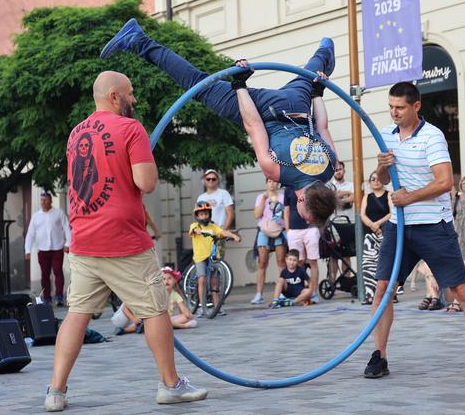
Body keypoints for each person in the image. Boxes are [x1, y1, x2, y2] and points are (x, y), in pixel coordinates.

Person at [45, 71, 208, 412]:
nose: (135, 100)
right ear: (115, 97)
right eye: (130, 94)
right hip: (123, 241)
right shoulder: (131, 129)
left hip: (85, 239)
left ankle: (55, 392)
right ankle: (170, 384)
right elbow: (146, 182)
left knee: (77, 314)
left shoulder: (76, 133)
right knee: (155, 309)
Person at [101, 18, 337, 227]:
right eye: (306, 218)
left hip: (296, 105)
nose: (303, 220)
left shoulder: (330, 166)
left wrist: (317, 92)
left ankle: (325, 51)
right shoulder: (276, 169)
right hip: (264, 110)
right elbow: (253, 124)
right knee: (198, 83)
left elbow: (322, 126)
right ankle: (137, 40)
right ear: (303, 200)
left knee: (313, 71)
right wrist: (240, 86)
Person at [366, 82, 465, 380]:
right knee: (382, 290)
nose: (394, 113)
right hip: (399, 226)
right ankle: (379, 356)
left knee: (462, 290)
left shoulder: (433, 136)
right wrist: (381, 167)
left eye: (400, 107)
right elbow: (381, 179)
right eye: (391, 107)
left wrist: (409, 197)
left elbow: (445, 183)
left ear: (416, 106)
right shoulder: (387, 134)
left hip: (432, 225)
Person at [189, 201, 241, 317]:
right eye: (201, 214)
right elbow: (193, 231)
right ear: (197, 216)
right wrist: (199, 231)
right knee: (202, 280)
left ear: (210, 215)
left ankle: (217, 307)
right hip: (200, 257)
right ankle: (202, 307)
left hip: (212, 257)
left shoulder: (213, 226)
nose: (204, 216)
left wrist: (234, 236)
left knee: (214, 283)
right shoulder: (195, 226)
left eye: (206, 214)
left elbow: (222, 232)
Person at [25, 192, 71, 306]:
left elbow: (67, 228)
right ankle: (46, 297)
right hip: (43, 249)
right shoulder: (36, 216)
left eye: (45, 200)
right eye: (42, 200)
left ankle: (59, 296)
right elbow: (30, 233)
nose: (43, 202)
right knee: (45, 274)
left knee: (57, 271)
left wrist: (68, 243)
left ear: (50, 201)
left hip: (57, 248)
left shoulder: (58, 213)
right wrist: (27, 250)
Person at [251, 178, 287, 305]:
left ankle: (282, 292)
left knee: (281, 262)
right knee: (262, 262)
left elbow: (285, 214)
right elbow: (256, 215)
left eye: (275, 182)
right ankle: (259, 294)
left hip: (279, 230)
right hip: (264, 230)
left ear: (278, 184)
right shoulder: (261, 196)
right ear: (266, 183)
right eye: (270, 182)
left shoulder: (283, 197)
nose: (272, 184)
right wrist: (263, 199)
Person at [284, 187, 321, 301]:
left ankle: (314, 292)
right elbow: (287, 209)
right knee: (297, 262)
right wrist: (287, 229)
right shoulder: (288, 188)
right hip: (294, 229)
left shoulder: (311, 185)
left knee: (313, 260)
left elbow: (318, 206)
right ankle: (299, 292)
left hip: (311, 228)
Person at [360, 171, 391, 304]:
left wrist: (378, 224)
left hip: (386, 233)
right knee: (368, 265)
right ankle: (370, 294)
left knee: (387, 264)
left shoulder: (388, 195)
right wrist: (372, 225)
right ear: (369, 182)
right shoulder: (367, 197)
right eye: (373, 179)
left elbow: (392, 212)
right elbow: (362, 215)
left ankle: (391, 294)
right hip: (370, 235)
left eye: (378, 179)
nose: (376, 181)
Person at [327, 160, 355, 283]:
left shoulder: (351, 184)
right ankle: (332, 281)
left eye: (340, 169)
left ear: (344, 170)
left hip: (349, 223)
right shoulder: (329, 186)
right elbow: (330, 197)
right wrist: (345, 195)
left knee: (347, 254)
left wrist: (338, 199)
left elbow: (355, 196)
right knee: (334, 254)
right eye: (336, 170)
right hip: (333, 224)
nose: (338, 172)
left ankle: (347, 281)